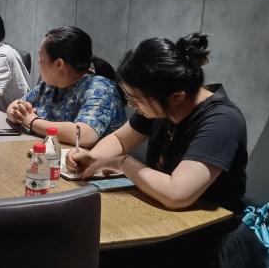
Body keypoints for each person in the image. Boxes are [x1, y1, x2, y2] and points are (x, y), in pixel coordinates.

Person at [66, 33, 254, 266]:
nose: (132, 105)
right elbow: (120, 140)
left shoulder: (221, 121)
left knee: (96, 255)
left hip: (206, 237)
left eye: (136, 99)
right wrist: (92, 159)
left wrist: (122, 162)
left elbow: (177, 194)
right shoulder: (162, 103)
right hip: (163, 218)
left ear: (176, 97)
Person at [6, 27, 126, 146]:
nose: (38, 62)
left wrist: (32, 121)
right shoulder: (49, 85)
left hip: (86, 157)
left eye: (41, 59)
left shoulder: (101, 89)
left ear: (59, 64)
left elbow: (83, 134)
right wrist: (17, 113)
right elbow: (15, 105)